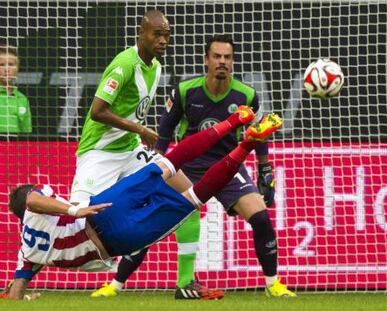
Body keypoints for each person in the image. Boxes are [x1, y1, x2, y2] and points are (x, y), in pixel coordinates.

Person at [5, 108, 282, 300]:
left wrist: (23, 296)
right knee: (169, 164)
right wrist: (73, 209)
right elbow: (33, 199)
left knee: (193, 197)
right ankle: (235, 121)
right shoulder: (32, 205)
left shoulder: (27, 253)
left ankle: (245, 144)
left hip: (118, 239)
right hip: (101, 212)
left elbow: (15, 292)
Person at [99, 34, 296, 298]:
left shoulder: (246, 95)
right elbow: (165, 131)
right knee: (152, 221)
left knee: (261, 218)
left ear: (233, 62)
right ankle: (115, 285)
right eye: (217, 56)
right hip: (187, 168)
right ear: (206, 60)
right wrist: (155, 167)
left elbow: (259, 132)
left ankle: (274, 285)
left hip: (229, 166)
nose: (222, 62)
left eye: (227, 57)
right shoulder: (185, 90)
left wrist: (265, 169)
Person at [69, 10, 216, 299]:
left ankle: (186, 283)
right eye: (156, 34)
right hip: (98, 153)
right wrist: (142, 129)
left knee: (189, 195)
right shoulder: (124, 64)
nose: (163, 40)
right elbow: (97, 112)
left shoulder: (157, 67)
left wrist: (139, 137)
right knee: (71, 220)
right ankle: (23, 277)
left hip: (130, 151)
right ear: (141, 33)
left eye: (166, 35)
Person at [0, 45, 32, 133]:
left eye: (11, 64)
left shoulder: (23, 99)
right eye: (2, 65)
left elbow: (26, 133)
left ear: (17, 68)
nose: (7, 69)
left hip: (14, 147)